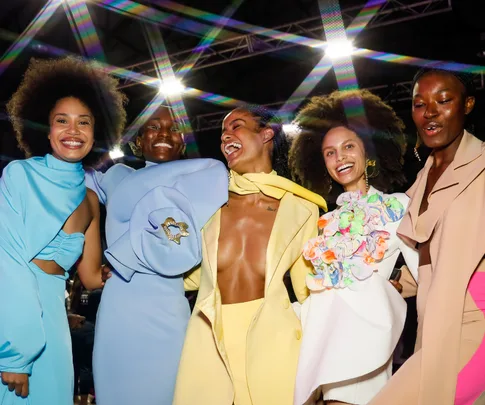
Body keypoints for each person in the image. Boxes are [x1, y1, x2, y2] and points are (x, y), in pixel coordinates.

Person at [173, 105, 328, 405]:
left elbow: (309, 292)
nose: (226, 136)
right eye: (222, 132)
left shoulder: (301, 208)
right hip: (210, 333)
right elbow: (188, 273)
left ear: (266, 134)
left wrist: (319, 373)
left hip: (273, 339)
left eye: (237, 126)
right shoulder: (207, 201)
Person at [0, 56, 126, 405]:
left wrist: (143, 261)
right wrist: (15, 351)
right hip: (13, 322)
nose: (73, 131)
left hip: (55, 321)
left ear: (96, 131)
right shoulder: (19, 176)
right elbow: (7, 261)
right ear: (46, 127)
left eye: (83, 122)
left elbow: (90, 276)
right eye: (62, 121)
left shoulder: (89, 199)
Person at [86, 105, 228, 405]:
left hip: (169, 309)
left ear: (183, 142)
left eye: (174, 128)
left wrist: (125, 255)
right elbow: (74, 195)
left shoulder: (204, 177)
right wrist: (92, 265)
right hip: (119, 311)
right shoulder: (115, 176)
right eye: (154, 127)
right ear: (138, 141)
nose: (164, 133)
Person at [288, 89, 418, 405]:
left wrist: (398, 288)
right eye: (330, 152)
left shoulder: (398, 205)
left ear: (368, 151)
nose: (340, 157)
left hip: (368, 332)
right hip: (323, 334)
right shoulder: (324, 221)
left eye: (348, 146)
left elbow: (424, 272)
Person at [369, 68, 485, 405]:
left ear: (468, 104)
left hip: (475, 321)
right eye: (420, 104)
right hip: (434, 323)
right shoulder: (421, 179)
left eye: (444, 100)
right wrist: (391, 283)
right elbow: (429, 260)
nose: (430, 112)